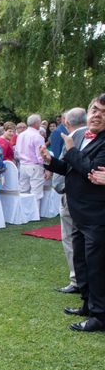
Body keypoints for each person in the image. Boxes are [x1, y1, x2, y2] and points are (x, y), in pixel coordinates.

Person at [42, 93, 105, 332]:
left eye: (103, 113)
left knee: (96, 266)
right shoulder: (85, 137)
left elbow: (91, 170)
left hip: (96, 215)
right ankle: (88, 305)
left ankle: (99, 316)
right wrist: (50, 160)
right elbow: (72, 169)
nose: (97, 115)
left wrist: (69, 150)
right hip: (77, 212)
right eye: (95, 110)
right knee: (82, 262)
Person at [51, 108, 86, 294]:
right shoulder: (91, 136)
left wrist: (60, 189)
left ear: (66, 122)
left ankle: (77, 279)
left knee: (71, 238)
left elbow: (66, 169)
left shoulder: (72, 138)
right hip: (85, 197)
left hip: (72, 195)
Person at [15, 114, 46, 206]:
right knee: (36, 191)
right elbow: (40, 154)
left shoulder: (21, 135)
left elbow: (16, 151)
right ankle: (35, 214)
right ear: (36, 123)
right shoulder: (37, 136)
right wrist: (45, 166)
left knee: (23, 190)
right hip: (34, 165)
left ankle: (24, 212)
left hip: (23, 164)